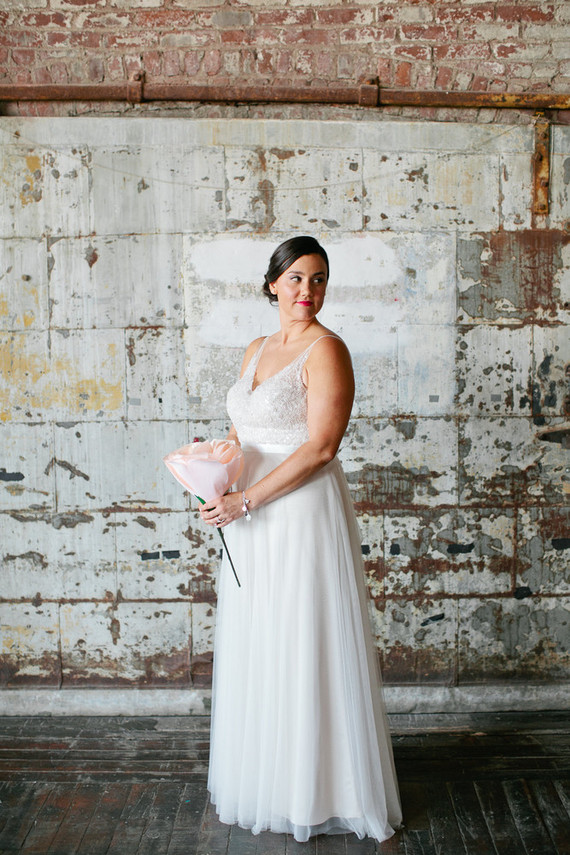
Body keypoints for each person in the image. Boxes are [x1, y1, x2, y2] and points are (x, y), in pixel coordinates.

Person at [200, 236, 402, 843]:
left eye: (318, 280)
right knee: (262, 638)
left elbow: (320, 447)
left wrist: (247, 499)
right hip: (247, 512)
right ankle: (269, 779)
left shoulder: (327, 350)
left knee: (305, 637)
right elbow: (241, 433)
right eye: (295, 279)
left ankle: (322, 789)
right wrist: (214, 474)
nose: (307, 291)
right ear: (272, 284)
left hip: (297, 509)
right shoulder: (256, 349)